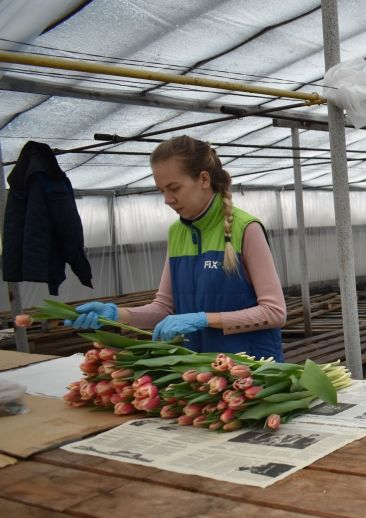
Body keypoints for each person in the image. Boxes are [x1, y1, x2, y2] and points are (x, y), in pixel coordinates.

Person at [66, 135, 286, 361]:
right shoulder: (177, 232)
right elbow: (164, 308)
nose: (168, 199)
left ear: (203, 179)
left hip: (250, 369)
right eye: (162, 190)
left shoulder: (246, 229)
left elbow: (275, 312)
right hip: (198, 371)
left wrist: (204, 319)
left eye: (174, 188)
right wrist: (115, 314)